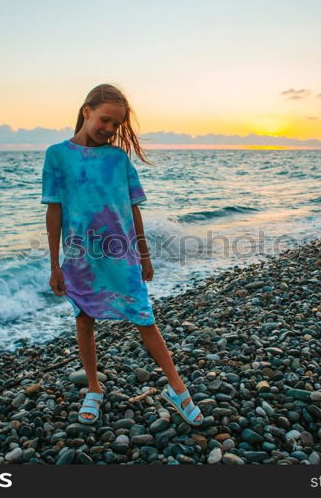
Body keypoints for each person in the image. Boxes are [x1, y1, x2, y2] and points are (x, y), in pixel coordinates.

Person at [41, 84, 203, 427]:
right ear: (86, 111)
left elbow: (133, 209)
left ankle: (177, 388)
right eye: (105, 120)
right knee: (84, 320)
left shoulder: (118, 158)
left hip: (122, 253)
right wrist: (54, 265)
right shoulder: (57, 155)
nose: (110, 129)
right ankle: (94, 388)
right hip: (81, 257)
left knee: (144, 317)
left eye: (116, 125)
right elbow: (54, 211)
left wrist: (145, 255)